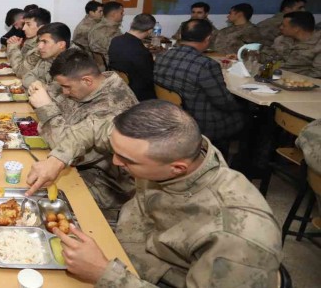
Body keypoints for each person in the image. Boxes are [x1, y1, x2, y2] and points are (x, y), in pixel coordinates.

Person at [31, 101, 282, 288]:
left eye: (127, 160)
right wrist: (57, 160)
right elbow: (95, 127)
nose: (115, 161)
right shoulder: (164, 148)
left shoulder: (237, 237)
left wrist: (104, 274)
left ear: (177, 168)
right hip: (123, 246)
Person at [28, 49, 137, 213]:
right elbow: (65, 107)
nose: (65, 92)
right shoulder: (92, 84)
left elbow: (62, 147)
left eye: (66, 87)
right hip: (80, 169)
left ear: (87, 81)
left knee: (32, 193)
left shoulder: (112, 107)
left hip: (103, 183)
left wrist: (46, 108)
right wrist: (41, 89)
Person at [154, 19, 245, 155]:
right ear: (208, 39)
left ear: (181, 35)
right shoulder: (205, 64)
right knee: (248, 116)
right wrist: (240, 107)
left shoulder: (162, 56)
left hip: (170, 114)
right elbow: (223, 101)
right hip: (199, 122)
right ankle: (237, 162)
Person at [108, 14, 156, 101]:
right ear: (150, 31)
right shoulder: (142, 52)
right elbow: (149, 77)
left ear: (131, 24)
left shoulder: (116, 40)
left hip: (118, 84)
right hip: (137, 93)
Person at [261, 11, 320, 78]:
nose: (280, 27)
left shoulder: (317, 45)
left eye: (284, 26)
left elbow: (317, 74)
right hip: (272, 76)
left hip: (299, 81)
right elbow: (269, 58)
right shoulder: (281, 39)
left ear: (296, 29)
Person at [22, 22, 71, 90]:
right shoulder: (49, 57)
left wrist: (41, 87)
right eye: (39, 41)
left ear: (61, 45)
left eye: (45, 42)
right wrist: (38, 85)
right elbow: (27, 76)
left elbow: (58, 92)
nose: (39, 46)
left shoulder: (73, 64)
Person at [6, 7, 51, 78]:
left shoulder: (42, 48)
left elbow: (21, 72)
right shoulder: (30, 40)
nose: (23, 28)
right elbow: (18, 62)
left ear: (41, 28)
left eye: (28, 24)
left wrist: (13, 48)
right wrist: (14, 45)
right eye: (24, 24)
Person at [88, 1, 124, 67]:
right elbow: (120, 52)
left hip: (99, 64)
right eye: (121, 13)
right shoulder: (111, 32)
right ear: (114, 14)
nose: (123, 15)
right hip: (110, 64)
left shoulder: (96, 26)